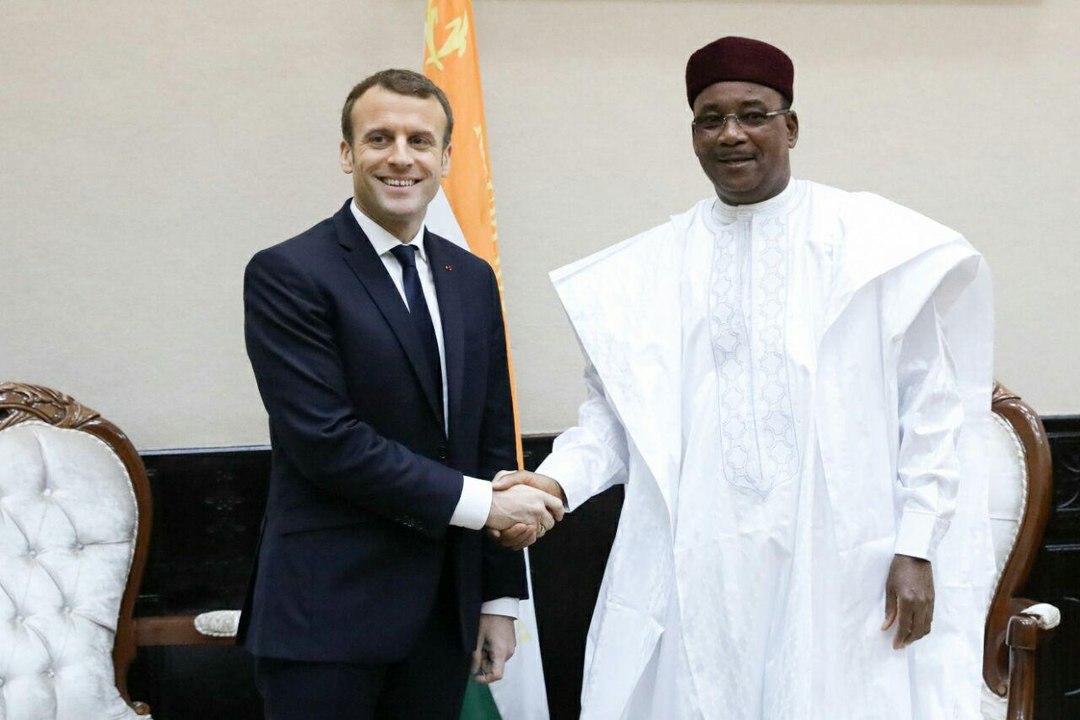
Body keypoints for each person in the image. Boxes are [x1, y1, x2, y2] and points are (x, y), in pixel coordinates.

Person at [494, 37, 994, 719]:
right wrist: (553, 484)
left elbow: (930, 409)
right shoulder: (654, 267)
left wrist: (917, 547)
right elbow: (611, 423)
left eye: (753, 114)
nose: (731, 133)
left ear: (791, 126)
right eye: (710, 118)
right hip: (701, 562)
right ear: (693, 135)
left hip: (841, 558)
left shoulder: (871, 245)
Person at [239, 68, 564, 720]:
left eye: (420, 141)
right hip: (326, 620)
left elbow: (490, 438)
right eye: (379, 138)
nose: (400, 157)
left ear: (445, 158)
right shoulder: (288, 273)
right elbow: (326, 441)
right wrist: (485, 505)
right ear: (347, 153)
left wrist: (497, 600)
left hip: (442, 620)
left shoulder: (471, 278)